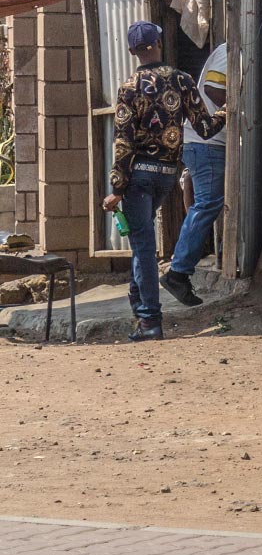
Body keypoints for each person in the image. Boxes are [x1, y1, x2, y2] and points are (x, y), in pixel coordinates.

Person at [100, 22, 224, 342]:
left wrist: (117, 189)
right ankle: (137, 300)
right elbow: (206, 128)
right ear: (159, 42)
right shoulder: (182, 80)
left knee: (143, 247)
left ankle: (149, 322)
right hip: (167, 177)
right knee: (142, 242)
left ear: (132, 52)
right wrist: (226, 111)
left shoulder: (129, 88)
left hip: (138, 179)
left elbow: (124, 142)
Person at [164, 40, 228, 308]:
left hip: (204, 143)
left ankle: (181, 270)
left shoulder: (231, 49)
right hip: (207, 143)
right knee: (207, 204)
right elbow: (215, 89)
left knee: (205, 204)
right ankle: (178, 272)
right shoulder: (231, 50)